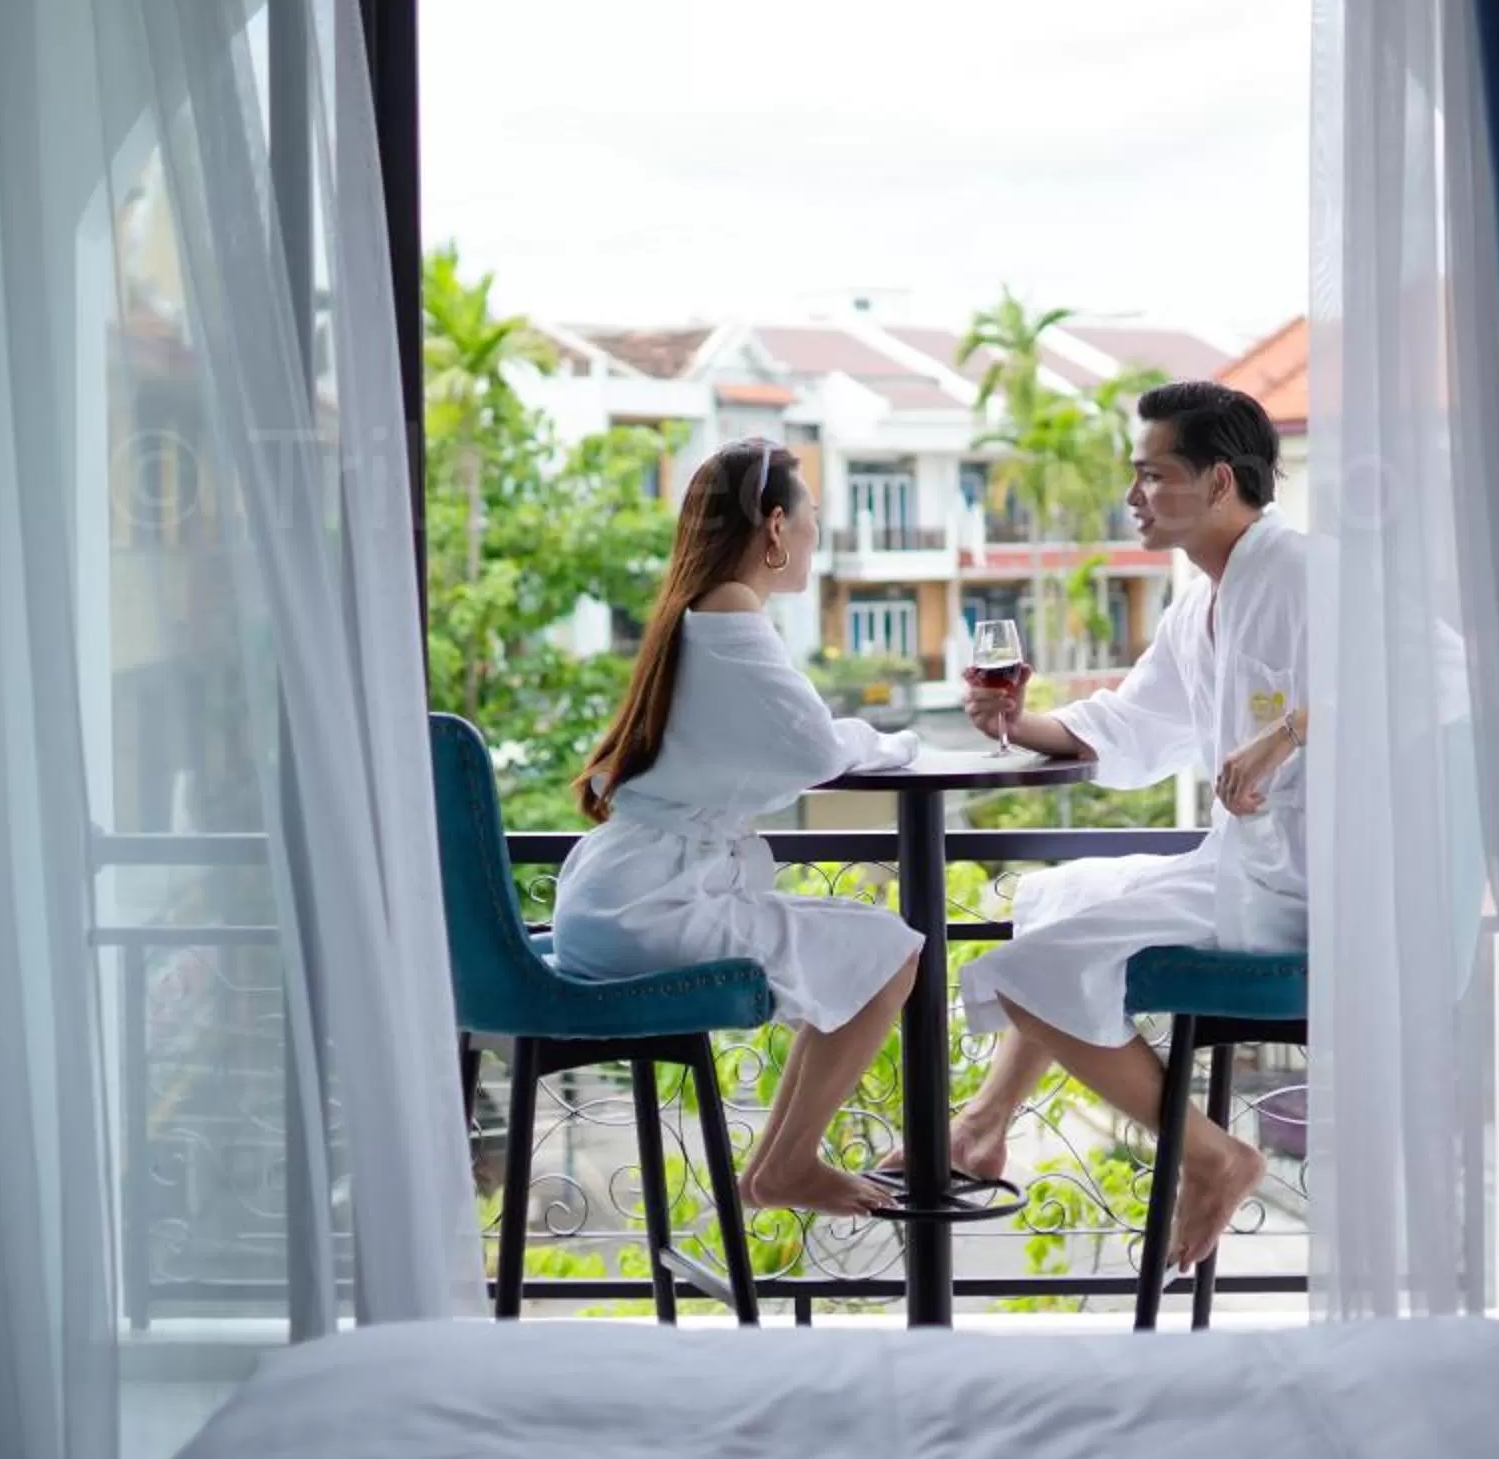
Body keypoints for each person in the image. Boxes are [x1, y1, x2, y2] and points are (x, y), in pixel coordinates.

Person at [950, 380, 1310, 1274]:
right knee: (1053, 896)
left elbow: (1435, 672)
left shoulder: (1304, 570)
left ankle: (1214, 1154)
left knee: (1033, 968)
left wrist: (1285, 734)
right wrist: (1017, 725)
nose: (1133, 498)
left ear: (1219, 482)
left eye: (1153, 476)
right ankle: (980, 1128)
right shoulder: (1201, 604)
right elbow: (1135, 724)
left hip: (1309, 886)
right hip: (1241, 864)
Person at [553, 438, 924, 1218]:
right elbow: (817, 749)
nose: (818, 536)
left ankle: (779, 1166)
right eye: (814, 517)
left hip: (616, 897)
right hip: (654, 907)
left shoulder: (699, 610)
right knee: (892, 952)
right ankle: (785, 1164)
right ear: (778, 525)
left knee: (872, 949)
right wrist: (892, 742)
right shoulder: (731, 613)